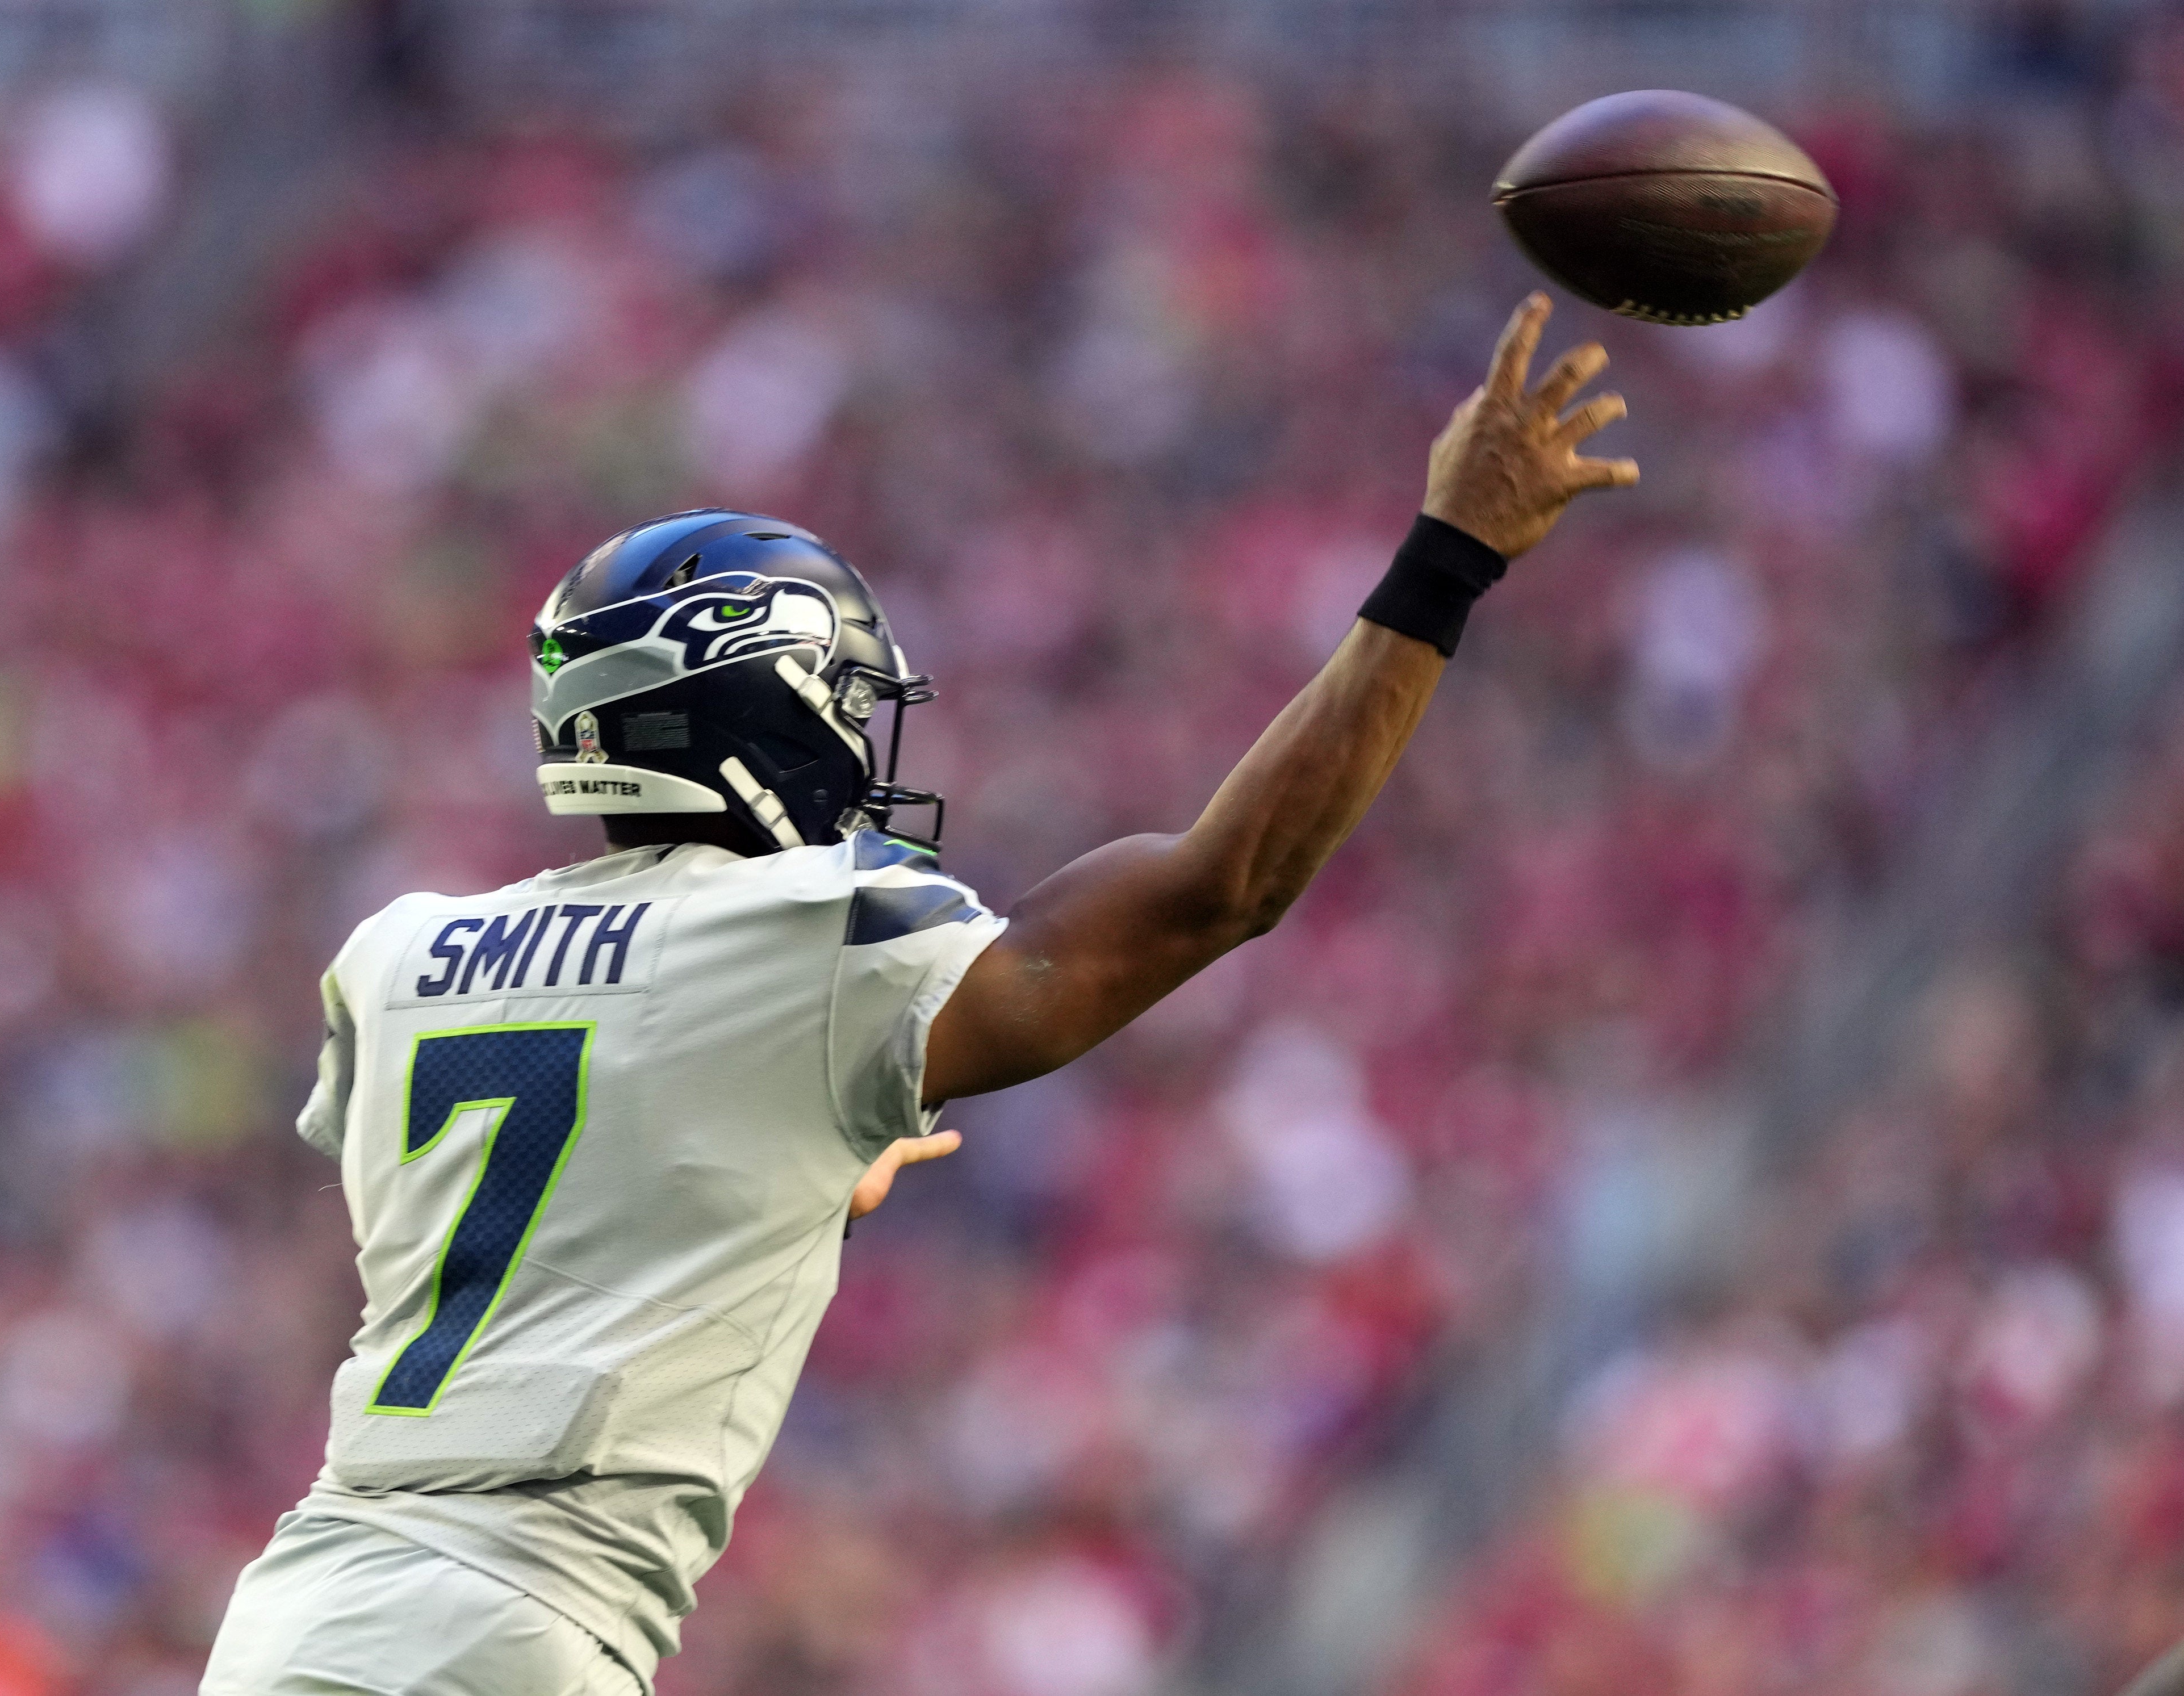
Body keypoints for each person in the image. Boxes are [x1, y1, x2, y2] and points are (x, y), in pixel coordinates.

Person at [199, 294, 1635, 1695]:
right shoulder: (808, 931)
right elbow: (1225, 886)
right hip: (516, 1627)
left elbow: (534, 1186)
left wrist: (770, 1153)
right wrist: (1448, 560)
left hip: (302, 1605)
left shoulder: (400, 954)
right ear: (771, 702)